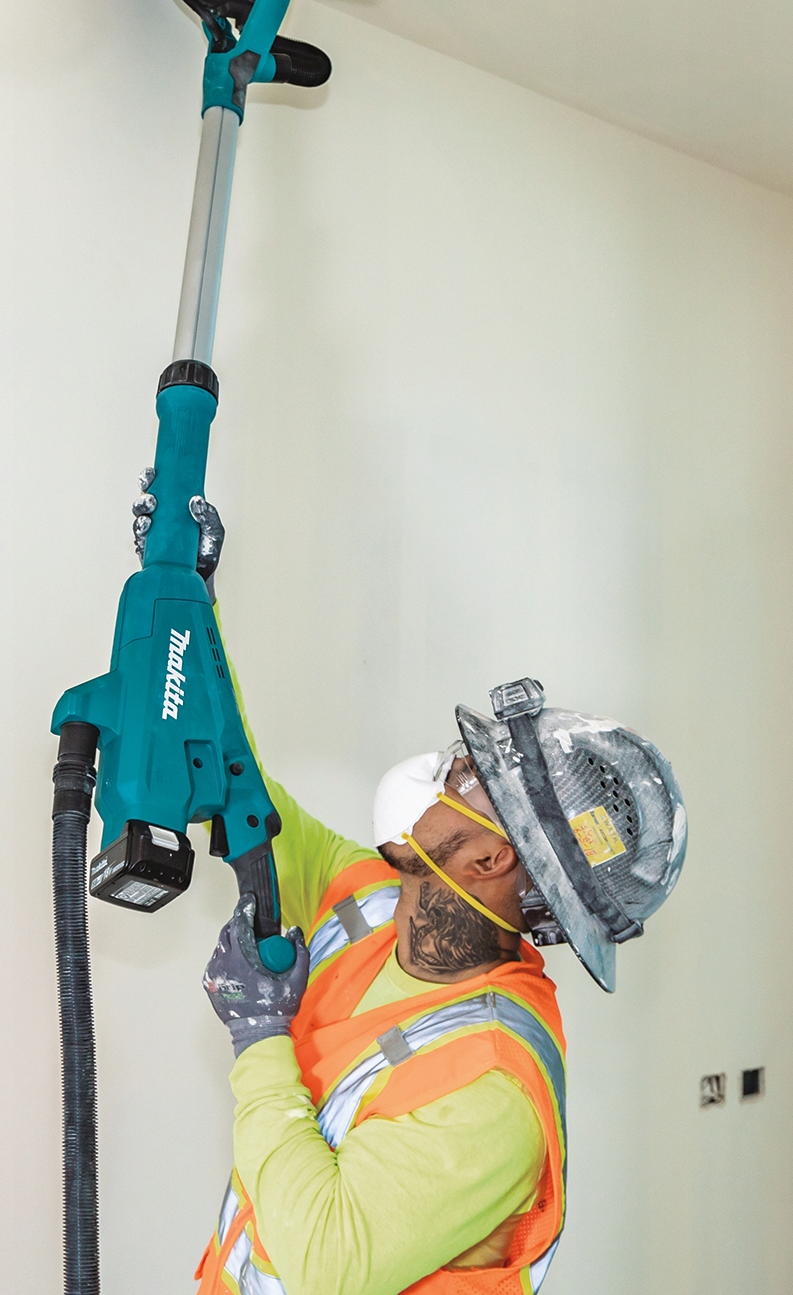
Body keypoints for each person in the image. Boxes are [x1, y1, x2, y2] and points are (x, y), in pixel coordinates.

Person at [135, 484, 688, 1295]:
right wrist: (191, 607)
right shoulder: (369, 898)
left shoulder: (493, 1087)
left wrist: (258, 1035)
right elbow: (235, 778)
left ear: (494, 859)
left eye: (467, 776)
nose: (442, 769)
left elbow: (325, 1261)